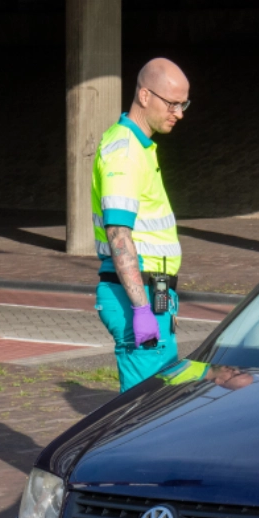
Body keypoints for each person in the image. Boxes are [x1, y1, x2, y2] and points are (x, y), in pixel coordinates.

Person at [91, 58, 190, 392]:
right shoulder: (125, 152)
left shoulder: (140, 147)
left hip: (154, 290)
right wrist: (142, 308)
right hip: (139, 294)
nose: (179, 113)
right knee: (143, 412)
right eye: (173, 104)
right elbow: (119, 234)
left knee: (157, 404)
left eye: (183, 104)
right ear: (145, 96)